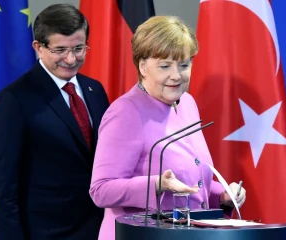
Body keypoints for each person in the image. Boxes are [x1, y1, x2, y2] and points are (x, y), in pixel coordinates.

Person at [89, 15, 247, 240]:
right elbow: (101, 190)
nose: (176, 75)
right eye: (165, 66)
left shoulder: (187, 103)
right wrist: (157, 184)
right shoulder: (125, 113)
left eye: (184, 65)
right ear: (143, 66)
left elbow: (192, 181)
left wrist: (222, 196)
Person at [0, 4, 109, 240]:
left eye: (78, 48)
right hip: (44, 233)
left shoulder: (95, 90)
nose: (71, 58)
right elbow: (4, 189)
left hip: (98, 230)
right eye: (60, 49)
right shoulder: (14, 100)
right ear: (38, 47)